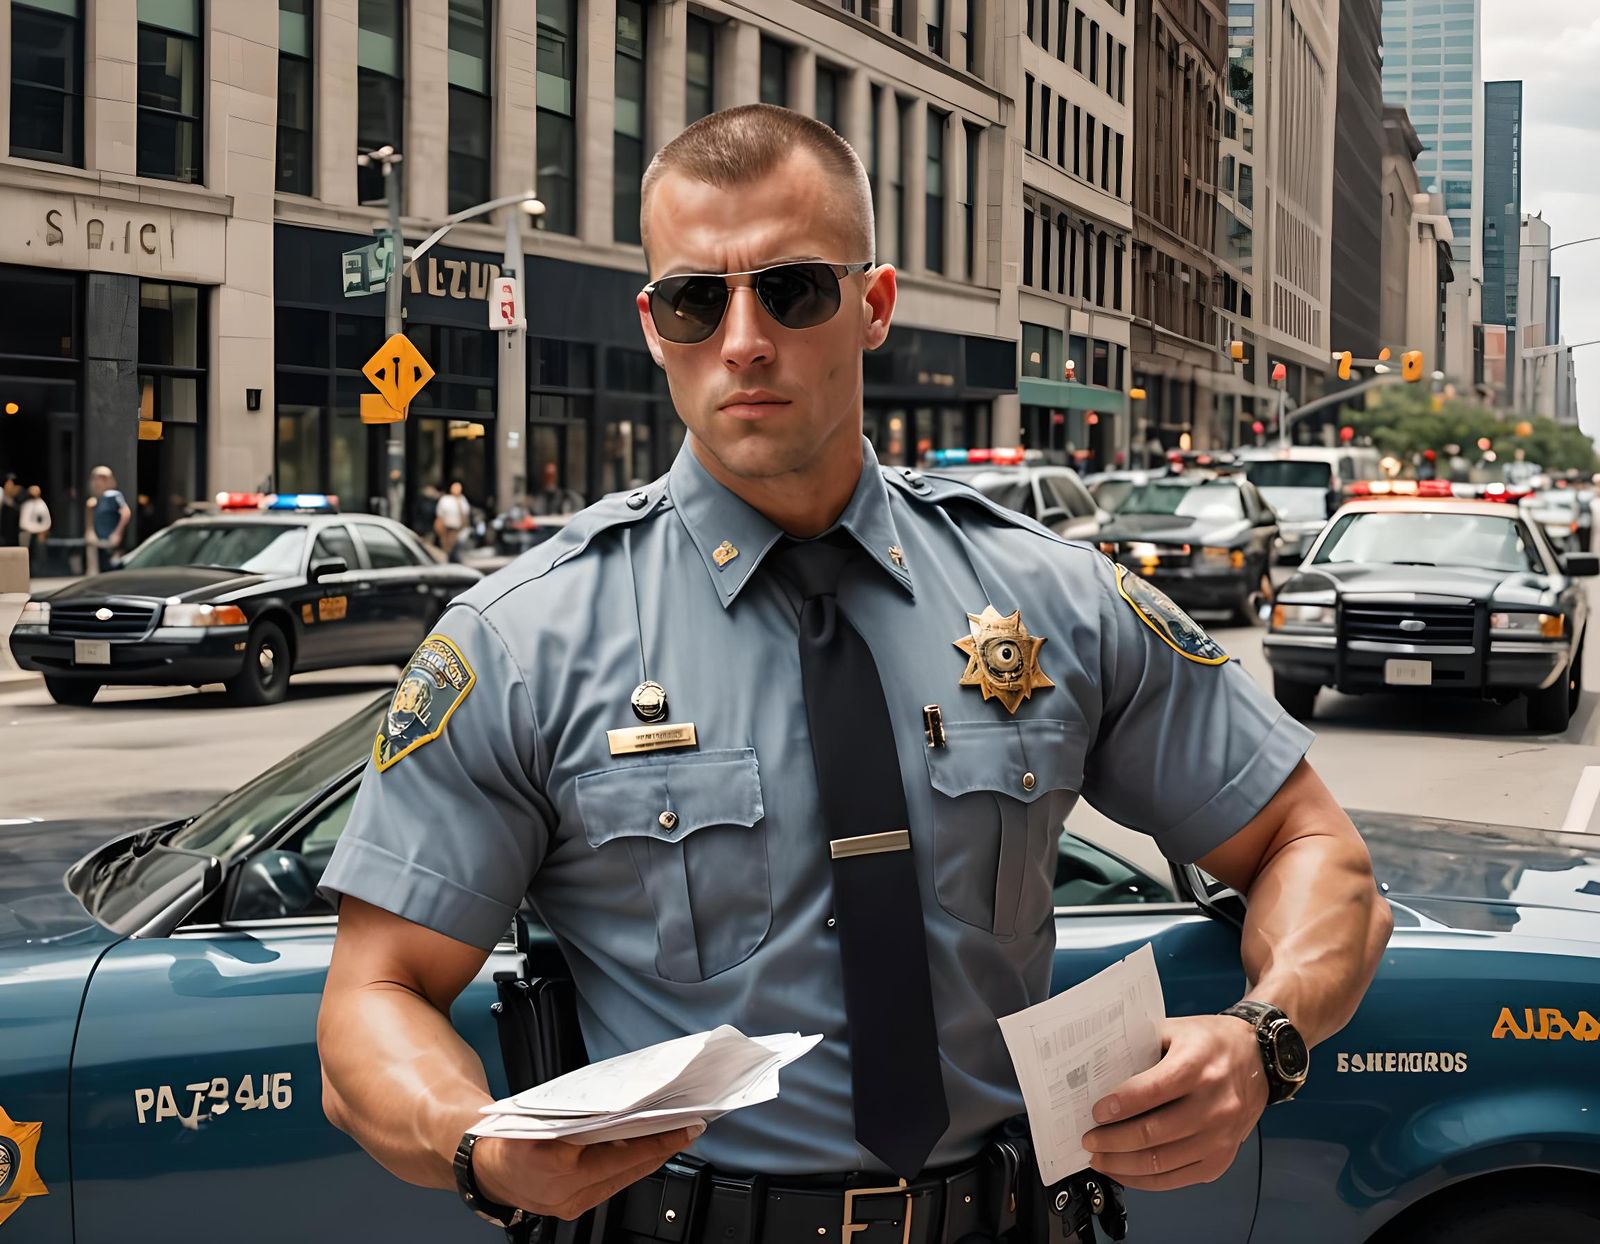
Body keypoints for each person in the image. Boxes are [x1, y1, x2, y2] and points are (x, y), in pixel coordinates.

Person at [316, 105, 1391, 1241]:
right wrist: (479, 1145)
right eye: (695, 299)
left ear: (872, 305)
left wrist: (1264, 1038)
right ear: (652, 324)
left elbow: (1314, 850)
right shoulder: (521, 641)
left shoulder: (1057, 598)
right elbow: (373, 996)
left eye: (790, 290)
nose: (740, 339)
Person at [85, 466, 131, 574]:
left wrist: (117, 533)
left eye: (100, 479)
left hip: (111, 541)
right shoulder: (96, 499)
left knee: (111, 569)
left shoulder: (114, 495)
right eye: (95, 479)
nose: (97, 482)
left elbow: (126, 513)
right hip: (98, 541)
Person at [434, 480, 472, 561]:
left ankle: (454, 560)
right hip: (448, 528)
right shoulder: (446, 499)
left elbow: (466, 515)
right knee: (448, 549)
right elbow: (440, 515)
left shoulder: (462, 500)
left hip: (459, 528)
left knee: (457, 547)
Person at [19, 485, 50, 573]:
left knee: (40, 553)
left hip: (39, 533)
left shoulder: (41, 504)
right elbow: (23, 522)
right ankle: (27, 572)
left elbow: (46, 520)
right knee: (26, 554)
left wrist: (43, 530)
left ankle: (39, 571)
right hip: (27, 532)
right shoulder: (26, 505)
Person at [0, 474, 19, 547]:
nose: (10, 486)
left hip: (11, 535)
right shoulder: (1, 494)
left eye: (11, 484)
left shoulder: (14, 502)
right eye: (8, 484)